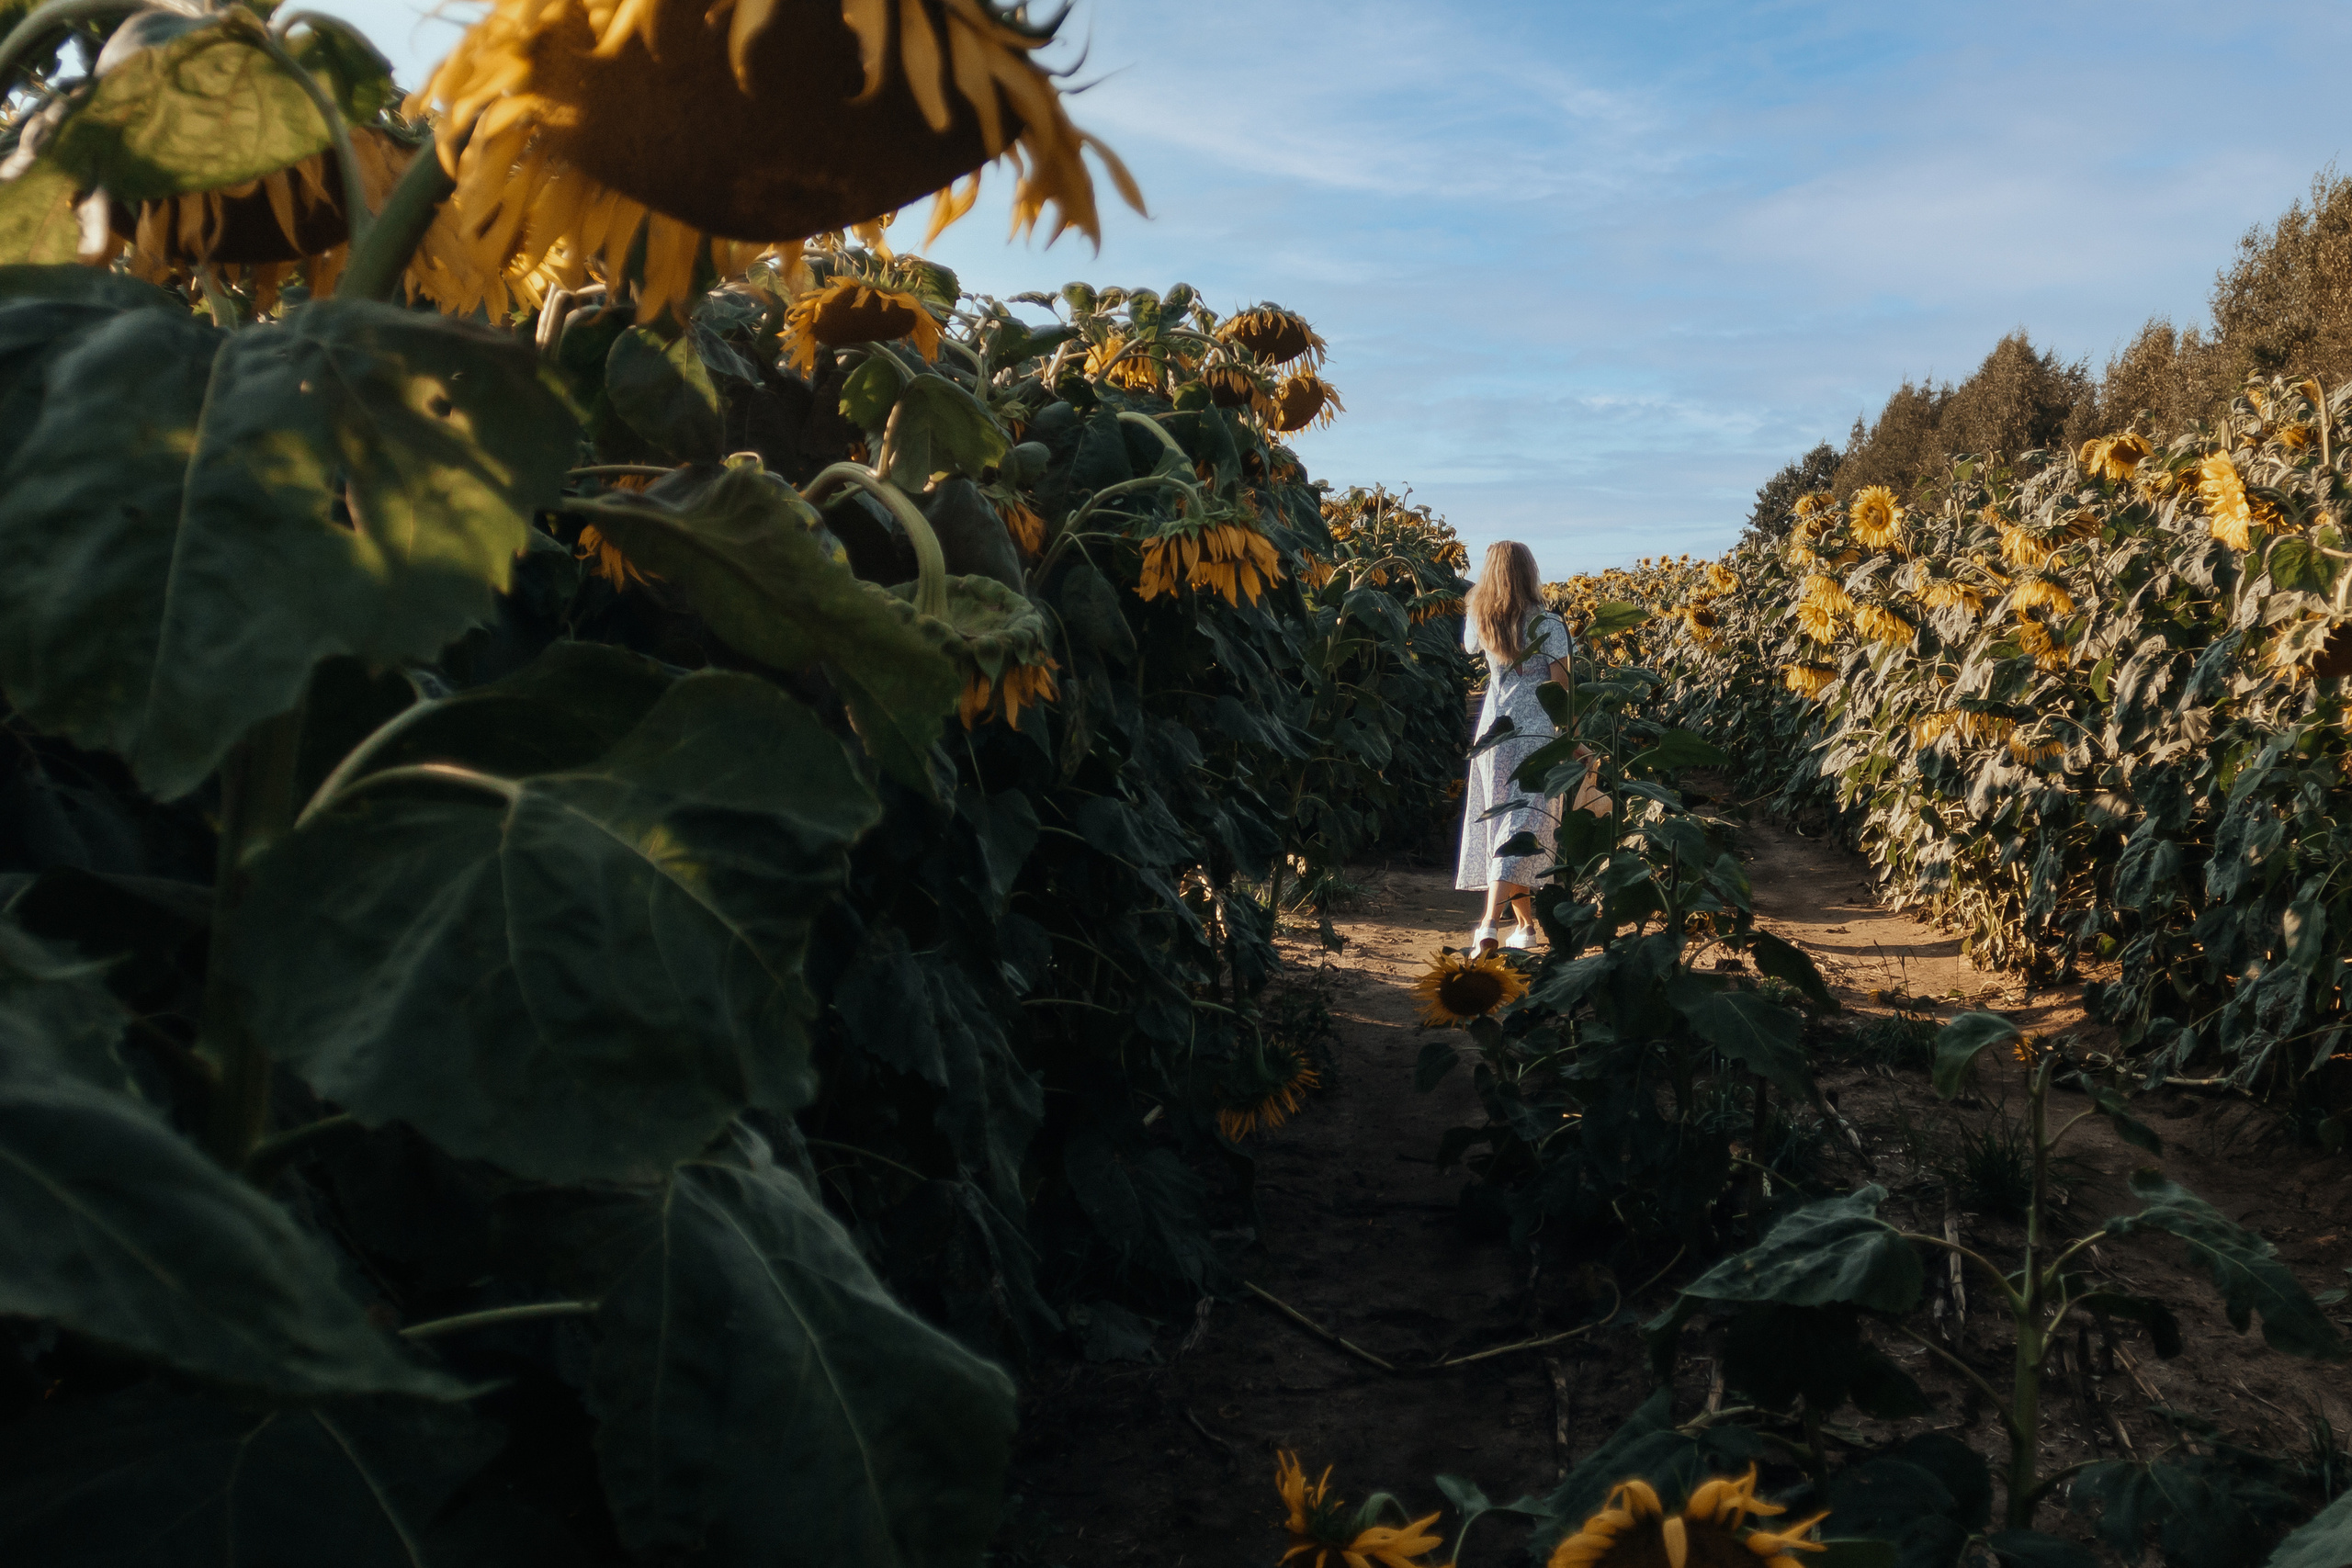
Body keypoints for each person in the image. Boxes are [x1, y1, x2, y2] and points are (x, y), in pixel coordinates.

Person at [1456, 540, 1574, 953]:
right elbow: (1564, 691)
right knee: (1524, 826)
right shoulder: (1550, 625)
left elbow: (1470, 646)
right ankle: (1488, 924)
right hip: (1537, 733)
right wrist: (1576, 743)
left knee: (1509, 824)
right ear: (1530, 573)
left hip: (1494, 732)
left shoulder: (1481, 620)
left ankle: (1525, 927)